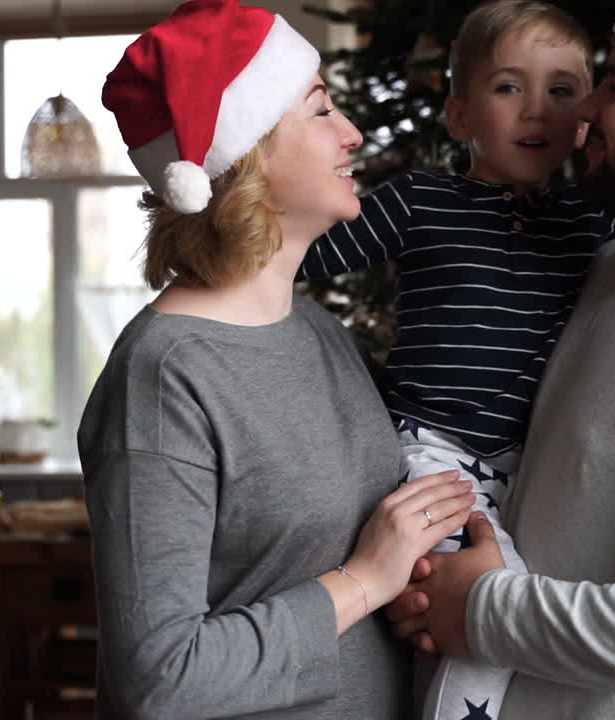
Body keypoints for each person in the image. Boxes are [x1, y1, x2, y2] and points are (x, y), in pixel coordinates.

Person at [297, 1, 615, 717]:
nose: (539, 110)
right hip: (429, 445)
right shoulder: (420, 202)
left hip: (525, 463)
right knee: (471, 614)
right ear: (460, 117)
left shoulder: (597, 221)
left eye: (563, 90)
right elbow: (295, 254)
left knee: (489, 605)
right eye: (508, 88)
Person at [77, 1, 477, 718]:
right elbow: (161, 679)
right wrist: (363, 581)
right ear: (250, 153)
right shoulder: (165, 374)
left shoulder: (320, 333)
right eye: (321, 109)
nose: (353, 134)